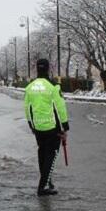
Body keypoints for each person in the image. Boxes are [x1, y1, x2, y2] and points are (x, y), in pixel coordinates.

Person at [24, 59, 70, 196]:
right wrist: (64, 126)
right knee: (51, 155)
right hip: (52, 126)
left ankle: (47, 181)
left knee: (42, 154)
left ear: (37, 69)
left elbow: (27, 107)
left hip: (38, 126)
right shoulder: (53, 86)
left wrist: (31, 124)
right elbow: (60, 106)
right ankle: (43, 186)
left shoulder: (30, 86)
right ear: (48, 69)